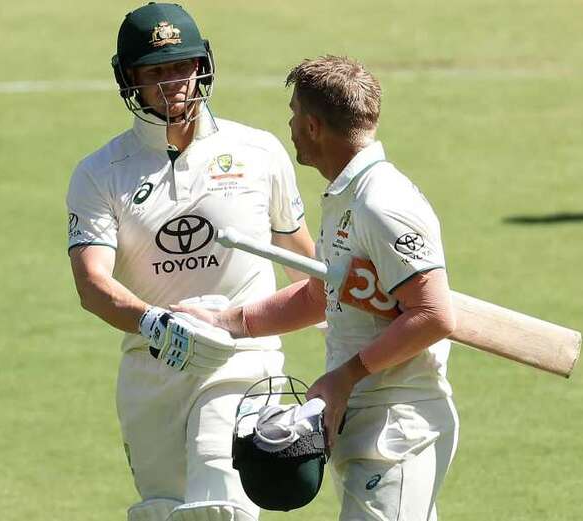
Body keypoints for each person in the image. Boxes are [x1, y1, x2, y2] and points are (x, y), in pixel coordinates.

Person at [175, 55, 459, 521]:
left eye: (292, 114)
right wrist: (231, 322)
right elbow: (320, 294)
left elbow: (433, 315)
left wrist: (344, 376)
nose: (287, 125)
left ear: (312, 126)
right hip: (371, 419)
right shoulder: (347, 196)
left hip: (400, 421)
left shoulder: (383, 203)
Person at [65, 4, 314, 521]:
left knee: (220, 502)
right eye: (156, 72)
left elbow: (307, 269)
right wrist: (156, 325)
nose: (175, 82)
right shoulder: (100, 173)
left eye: (184, 66)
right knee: (163, 511)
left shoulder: (258, 152)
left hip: (243, 358)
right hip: (151, 367)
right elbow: (92, 284)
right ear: (129, 79)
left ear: (204, 65)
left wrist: (359, 346)